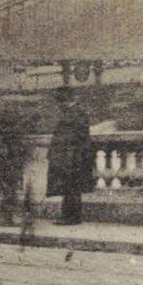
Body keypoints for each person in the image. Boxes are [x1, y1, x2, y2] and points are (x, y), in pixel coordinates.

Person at [49, 89, 93, 226]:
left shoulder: (76, 113)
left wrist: (68, 157)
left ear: (65, 101)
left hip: (73, 157)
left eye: (59, 102)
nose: (58, 106)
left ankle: (71, 217)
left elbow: (75, 139)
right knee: (70, 187)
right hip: (71, 156)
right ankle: (70, 216)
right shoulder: (74, 113)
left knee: (71, 187)